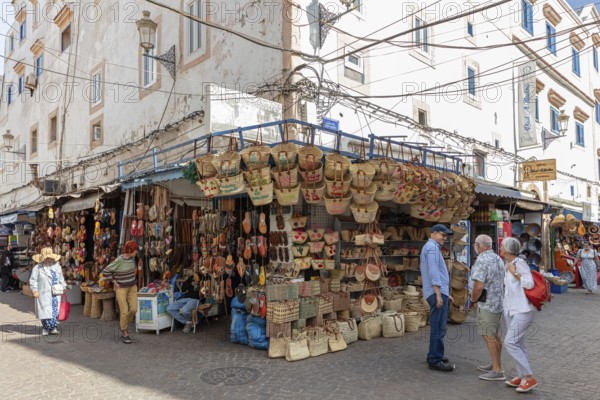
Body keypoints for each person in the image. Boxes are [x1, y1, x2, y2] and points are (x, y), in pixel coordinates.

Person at [500, 237, 538, 393]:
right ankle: (522, 375)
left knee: (510, 342)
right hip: (511, 309)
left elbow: (529, 283)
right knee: (518, 343)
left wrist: (515, 274)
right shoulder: (507, 264)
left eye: (502, 246)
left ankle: (529, 377)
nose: (500, 248)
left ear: (509, 249)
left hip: (523, 309)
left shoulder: (519, 263)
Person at [469, 235, 506, 381]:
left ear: (479, 245)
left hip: (487, 303)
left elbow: (479, 285)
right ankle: (496, 364)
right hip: (498, 302)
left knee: (489, 335)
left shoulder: (482, 260)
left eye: (475, 245)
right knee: (495, 335)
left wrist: (472, 299)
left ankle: (497, 370)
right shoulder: (497, 258)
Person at [420, 224, 454, 372]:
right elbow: (433, 272)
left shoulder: (430, 247)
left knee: (437, 326)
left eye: (446, 236)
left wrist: (446, 293)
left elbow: (436, 272)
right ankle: (435, 360)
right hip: (435, 293)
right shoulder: (432, 248)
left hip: (436, 291)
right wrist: (439, 294)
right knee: (439, 328)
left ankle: (433, 354)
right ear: (433, 233)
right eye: (442, 235)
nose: (444, 238)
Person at [103, 241, 139, 344]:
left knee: (134, 309)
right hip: (121, 288)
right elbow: (106, 271)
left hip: (132, 287)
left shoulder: (133, 259)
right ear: (130, 250)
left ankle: (123, 323)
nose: (136, 252)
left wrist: (133, 275)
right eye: (135, 250)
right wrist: (114, 282)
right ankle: (124, 333)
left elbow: (134, 269)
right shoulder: (119, 260)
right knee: (124, 311)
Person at [28, 247, 67, 336]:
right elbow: (33, 280)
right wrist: (35, 290)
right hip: (43, 293)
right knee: (44, 311)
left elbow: (61, 278)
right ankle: (45, 328)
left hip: (55, 293)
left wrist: (63, 286)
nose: (48, 259)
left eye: (50, 257)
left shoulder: (57, 266)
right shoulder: (37, 268)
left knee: (54, 311)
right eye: (46, 258)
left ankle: (53, 328)